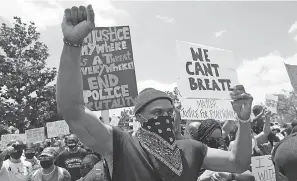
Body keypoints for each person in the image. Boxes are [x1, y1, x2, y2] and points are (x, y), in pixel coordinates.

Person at [56, 4, 253, 181]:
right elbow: (73, 110)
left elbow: (238, 163)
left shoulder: (191, 149)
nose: (165, 118)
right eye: (157, 113)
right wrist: (72, 45)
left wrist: (243, 121)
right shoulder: (120, 145)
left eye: (169, 112)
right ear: (140, 117)